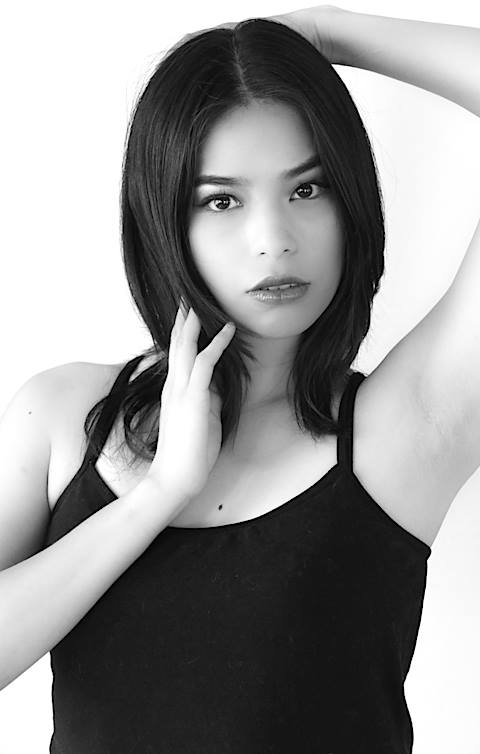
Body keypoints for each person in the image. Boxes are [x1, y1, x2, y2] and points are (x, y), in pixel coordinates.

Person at [0, 5, 479, 753]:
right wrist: (157, 495)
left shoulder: (407, 428)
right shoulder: (62, 416)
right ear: (166, 220)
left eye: (307, 190)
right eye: (221, 200)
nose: (273, 240)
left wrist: (329, 32)